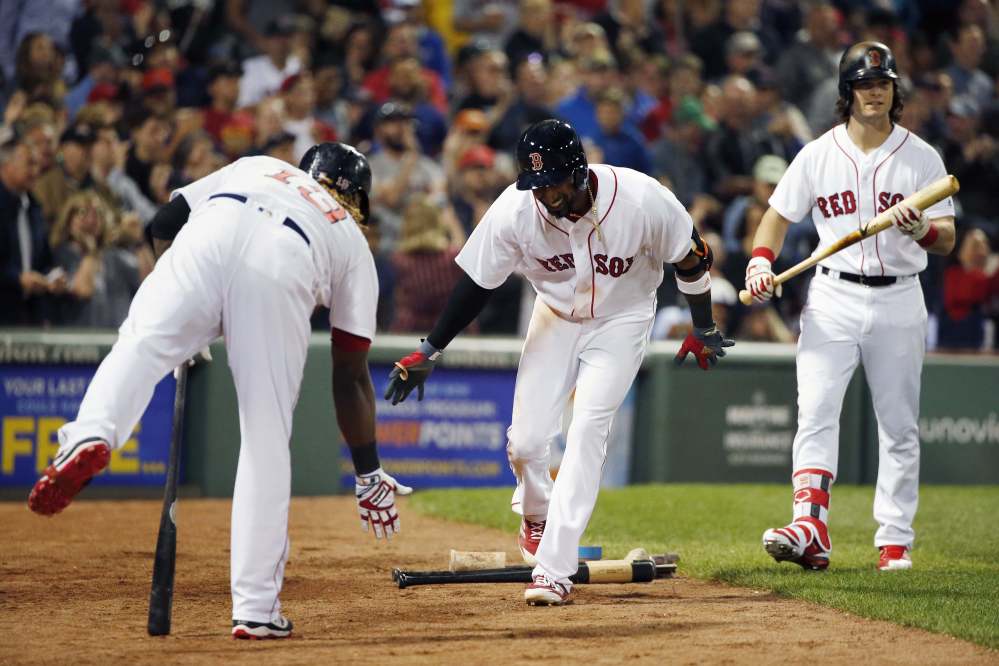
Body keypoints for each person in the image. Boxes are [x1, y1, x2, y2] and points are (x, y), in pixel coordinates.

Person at [27, 143, 411, 638]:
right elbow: (351, 374)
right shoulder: (351, 239)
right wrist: (367, 471)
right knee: (265, 434)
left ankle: (88, 434)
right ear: (355, 198)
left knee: (141, 343)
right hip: (289, 260)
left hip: (208, 234)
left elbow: (163, 223)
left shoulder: (259, 165)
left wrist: (191, 324)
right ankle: (255, 608)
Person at [383, 119, 733, 605]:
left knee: (589, 427)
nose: (544, 194)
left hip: (623, 317)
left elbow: (692, 260)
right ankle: (536, 513)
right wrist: (432, 348)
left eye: (553, 183)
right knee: (525, 444)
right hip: (554, 315)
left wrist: (704, 325)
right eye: (536, 184)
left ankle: (553, 568)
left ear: (580, 171)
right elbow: (477, 283)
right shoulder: (515, 211)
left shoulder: (641, 199)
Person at [746, 42, 956, 573]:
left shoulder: (921, 156)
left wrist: (923, 228)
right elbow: (776, 216)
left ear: (894, 90)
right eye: (864, 84)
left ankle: (894, 541)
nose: (874, 92)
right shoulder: (818, 153)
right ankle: (810, 527)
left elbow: (948, 237)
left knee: (899, 424)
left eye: (882, 83)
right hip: (833, 294)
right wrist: (759, 262)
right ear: (848, 92)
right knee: (815, 411)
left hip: (900, 296)